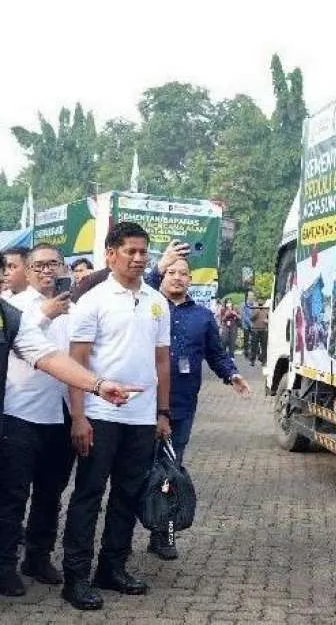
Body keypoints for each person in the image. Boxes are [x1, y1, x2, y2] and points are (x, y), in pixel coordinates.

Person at [60, 222, 172, 611]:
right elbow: (76, 363)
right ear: (111, 254)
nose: (139, 258)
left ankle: (112, 567)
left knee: (128, 494)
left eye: (144, 252)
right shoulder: (92, 301)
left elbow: (162, 361)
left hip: (142, 420)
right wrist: (78, 417)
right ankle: (75, 577)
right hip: (99, 415)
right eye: (131, 251)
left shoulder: (158, 301)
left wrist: (161, 412)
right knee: (89, 494)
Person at [0, 296, 139, 599]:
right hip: (19, 418)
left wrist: (97, 385)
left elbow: (50, 357)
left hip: (52, 418)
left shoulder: (9, 316)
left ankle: (27, 559)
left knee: (42, 495)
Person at [143, 242, 250, 559]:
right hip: (139, 406)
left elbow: (217, 355)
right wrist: (156, 268)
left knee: (169, 474)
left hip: (180, 408)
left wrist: (232, 375)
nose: (177, 277)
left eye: (183, 274)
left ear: (191, 280)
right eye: (171, 272)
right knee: (134, 473)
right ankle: (118, 540)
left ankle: (163, 534)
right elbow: (135, 288)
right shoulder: (148, 303)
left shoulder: (203, 317)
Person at [0, 244, 76, 596]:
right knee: (13, 494)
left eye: (54, 264)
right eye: (40, 265)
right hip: (20, 413)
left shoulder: (75, 308)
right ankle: (4, 564)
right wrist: (45, 314)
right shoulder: (14, 307)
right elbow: (23, 344)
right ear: (27, 271)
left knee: (51, 492)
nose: (48, 271)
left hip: (60, 414)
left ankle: (38, 556)